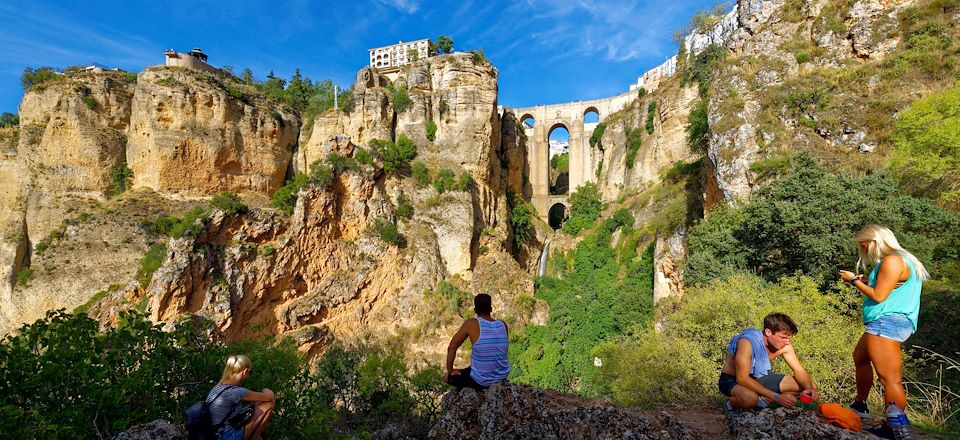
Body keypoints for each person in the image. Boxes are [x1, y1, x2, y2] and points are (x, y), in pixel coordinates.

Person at [840, 225, 927, 421]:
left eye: (865, 246)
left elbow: (879, 296)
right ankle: (860, 404)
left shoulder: (893, 261)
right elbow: (888, 286)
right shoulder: (900, 259)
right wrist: (867, 279)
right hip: (887, 321)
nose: (864, 251)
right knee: (860, 357)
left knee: (889, 378)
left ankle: (895, 425)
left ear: (876, 242)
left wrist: (853, 280)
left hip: (887, 321)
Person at [719, 313, 819, 410]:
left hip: (759, 377)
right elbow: (742, 378)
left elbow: (799, 370)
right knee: (750, 399)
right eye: (783, 337)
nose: (787, 342)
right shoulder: (747, 342)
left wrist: (809, 389)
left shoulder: (785, 346)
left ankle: (765, 400)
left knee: (810, 386)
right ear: (768, 332)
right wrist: (776, 397)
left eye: (788, 338)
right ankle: (731, 404)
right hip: (733, 379)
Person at [445, 293, 510, 390]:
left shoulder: (471, 324)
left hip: (481, 381)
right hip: (502, 377)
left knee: (446, 377)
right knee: (471, 368)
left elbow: (452, 347)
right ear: (491, 309)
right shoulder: (502, 325)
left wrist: (450, 370)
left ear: (475, 310)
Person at [206, 355, 276, 440]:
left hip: (211, 434)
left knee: (256, 403)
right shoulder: (238, 392)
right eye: (250, 372)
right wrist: (266, 389)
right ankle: (255, 438)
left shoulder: (218, 387)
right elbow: (269, 397)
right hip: (226, 437)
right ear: (245, 371)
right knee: (268, 404)